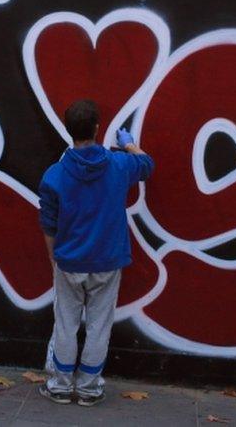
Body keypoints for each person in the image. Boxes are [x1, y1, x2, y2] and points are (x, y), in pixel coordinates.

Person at [37, 99, 154, 406]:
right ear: (98, 128)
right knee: (99, 325)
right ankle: (89, 389)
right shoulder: (118, 165)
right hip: (107, 260)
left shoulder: (54, 175)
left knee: (65, 323)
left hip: (69, 260)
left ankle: (60, 386)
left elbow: (48, 224)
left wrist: (54, 257)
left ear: (67, 130)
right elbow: (147, 165)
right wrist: (128, 144)